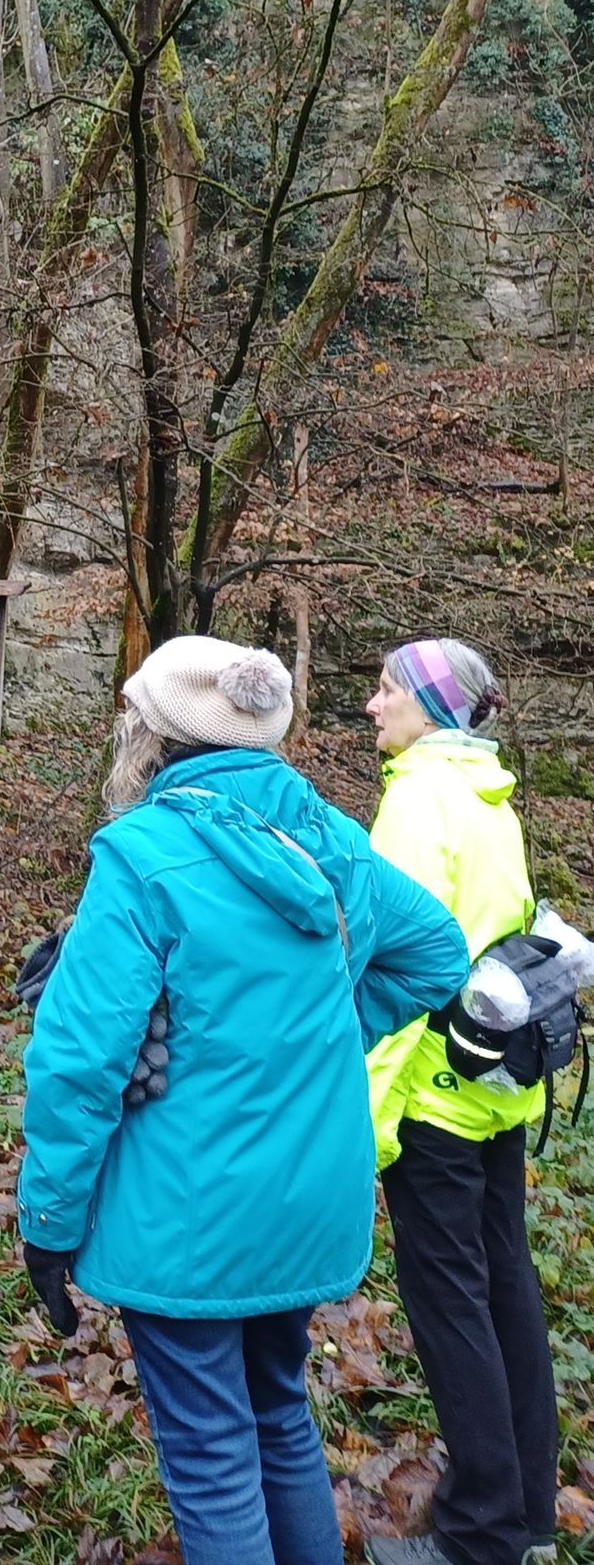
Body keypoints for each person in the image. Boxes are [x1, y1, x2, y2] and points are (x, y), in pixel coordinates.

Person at [18, 635, 469, 1565]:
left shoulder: (142, 853)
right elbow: (436, 951)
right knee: (277, 1414)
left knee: (210, 1455)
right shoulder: (332, 836)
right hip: (309, 1195)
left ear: (151, 736)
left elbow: (79, 1060)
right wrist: (317, 1035)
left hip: (187, 1210)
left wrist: (47, 1222)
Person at [362, 641, 558, 1565]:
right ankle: (526, 1516)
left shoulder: (417, 799)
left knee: (450, 1308)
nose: (372, 705)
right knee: (505, 1291)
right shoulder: (490, 795)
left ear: (431, 708)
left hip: (432, 1100)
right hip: (495, 1092)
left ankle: (477, 1535)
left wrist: (367, 1119)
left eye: (387, 690)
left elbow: (394, 972)